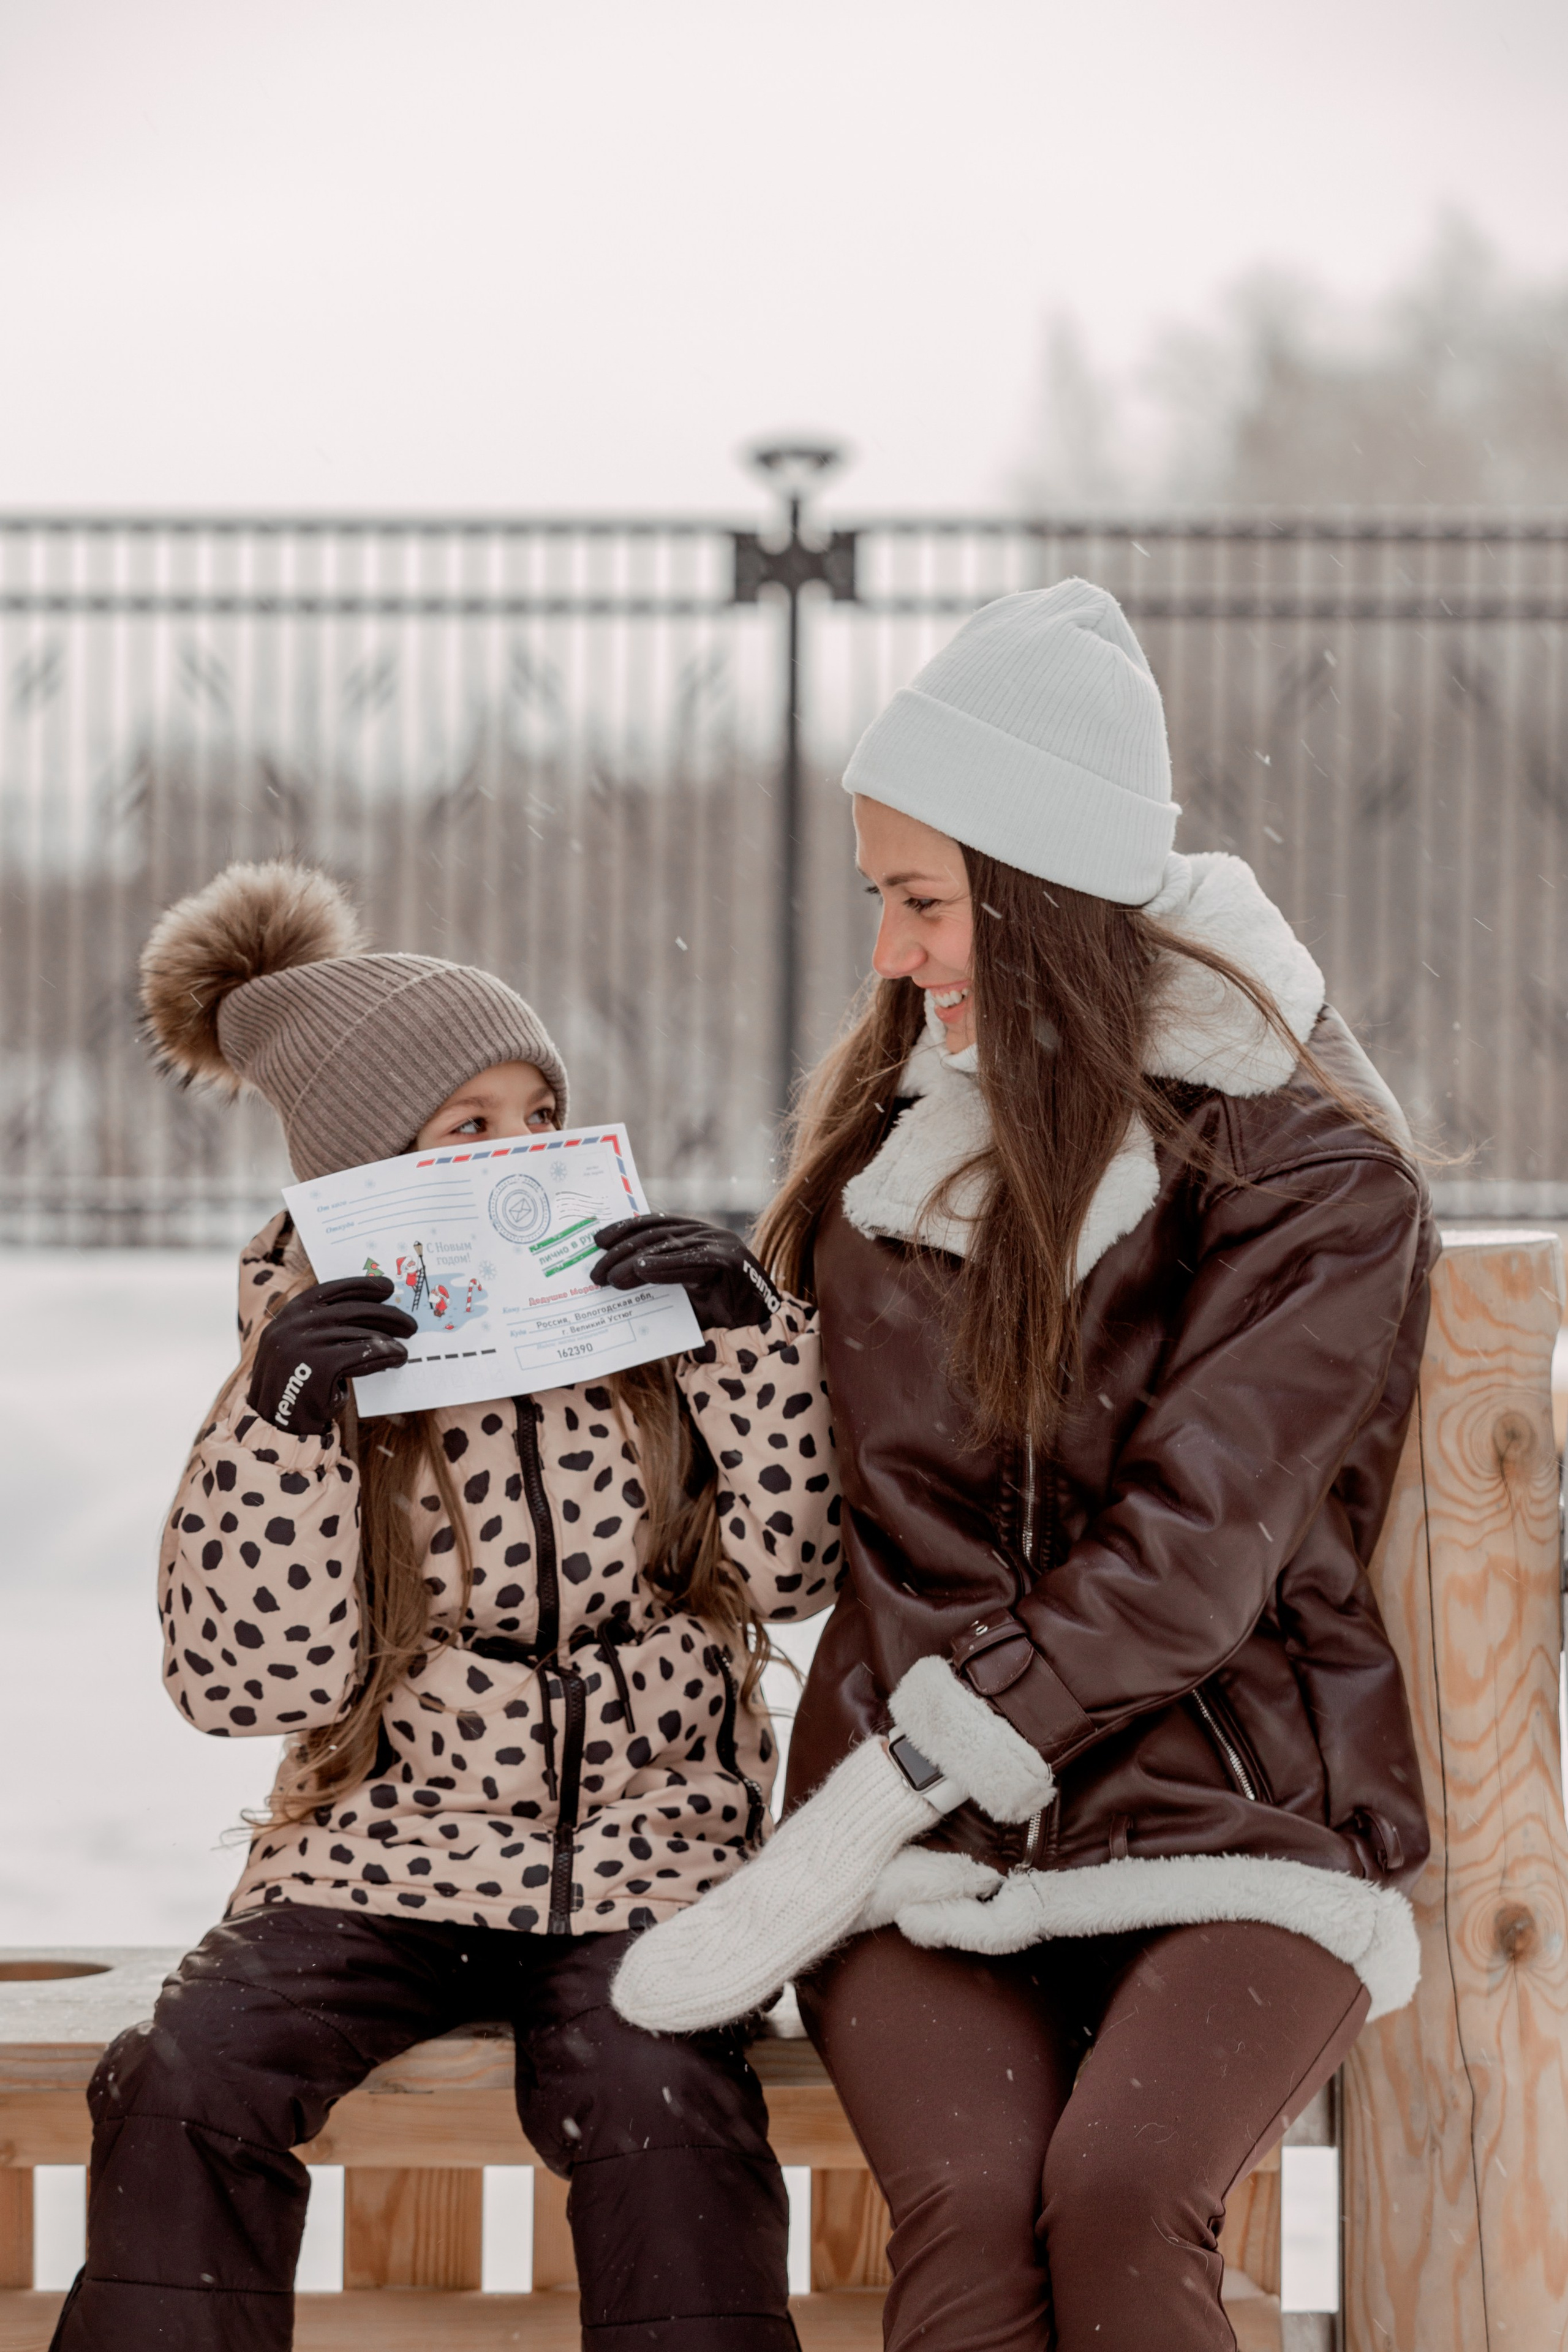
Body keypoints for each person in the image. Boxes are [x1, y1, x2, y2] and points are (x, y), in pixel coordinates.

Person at [612, 581, 1435, 2351]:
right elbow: (809, 1533)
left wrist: (913, 1767)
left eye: (923, 903)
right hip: (916, 1848)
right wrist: (711, 1360)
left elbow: (1192, 1553)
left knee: (1123, 2203)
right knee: (974, 2221)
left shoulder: (1310, 1184)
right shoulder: (892, 1149)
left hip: (1235, 1805)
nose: (894, 957)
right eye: (881, 905)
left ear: (1044, 895)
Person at [55, 859, 840, 2352]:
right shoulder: (295, 1374)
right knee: (188, 2073)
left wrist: (746, 1338)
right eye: (464, 1130)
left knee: (654, 2088)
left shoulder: (653, 1343)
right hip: (382, 1845)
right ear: (366, 1181)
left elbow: (795, 1574)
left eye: (536, 1119)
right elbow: (245, 1686)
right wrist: (290, 1424)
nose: (518, 1158)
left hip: (643, 1836)